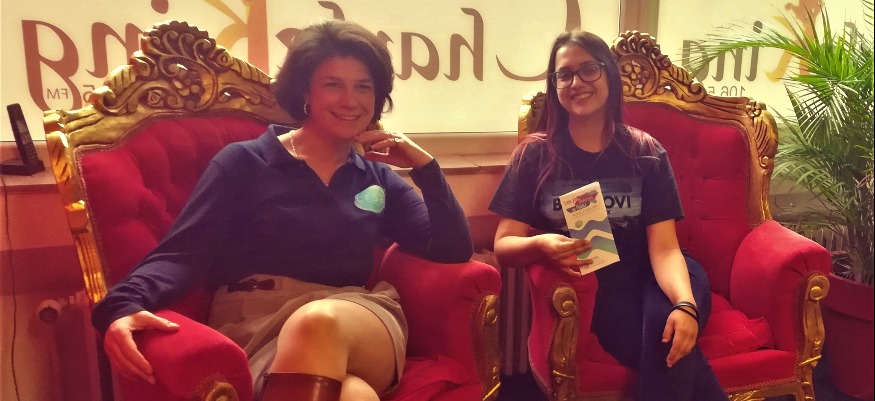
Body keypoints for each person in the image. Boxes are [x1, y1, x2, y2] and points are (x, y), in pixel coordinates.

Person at [91, 20, 473, 401]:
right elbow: (184, 252)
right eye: (333, 85)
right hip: (255, 322)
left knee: (318, 322)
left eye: (363, 87)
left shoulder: (376, 178)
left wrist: (426, 168)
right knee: (355, 395)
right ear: (306, 91)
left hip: (356, 317)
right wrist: (121, 306)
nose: (350, 101)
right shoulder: (244, 163)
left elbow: (452, 248)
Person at [489, 31, 729, 401]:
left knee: (669, 323)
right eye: (564, 74)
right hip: (603, 291)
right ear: (554, 85)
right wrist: (541, 245)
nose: (576, 82)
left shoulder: (645, 151)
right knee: (666, 343)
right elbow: (504, 246)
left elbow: (665, 249)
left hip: (665, 274)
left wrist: (686, 304)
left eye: (589, 69)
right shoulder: (535, 155)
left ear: (609, 75)